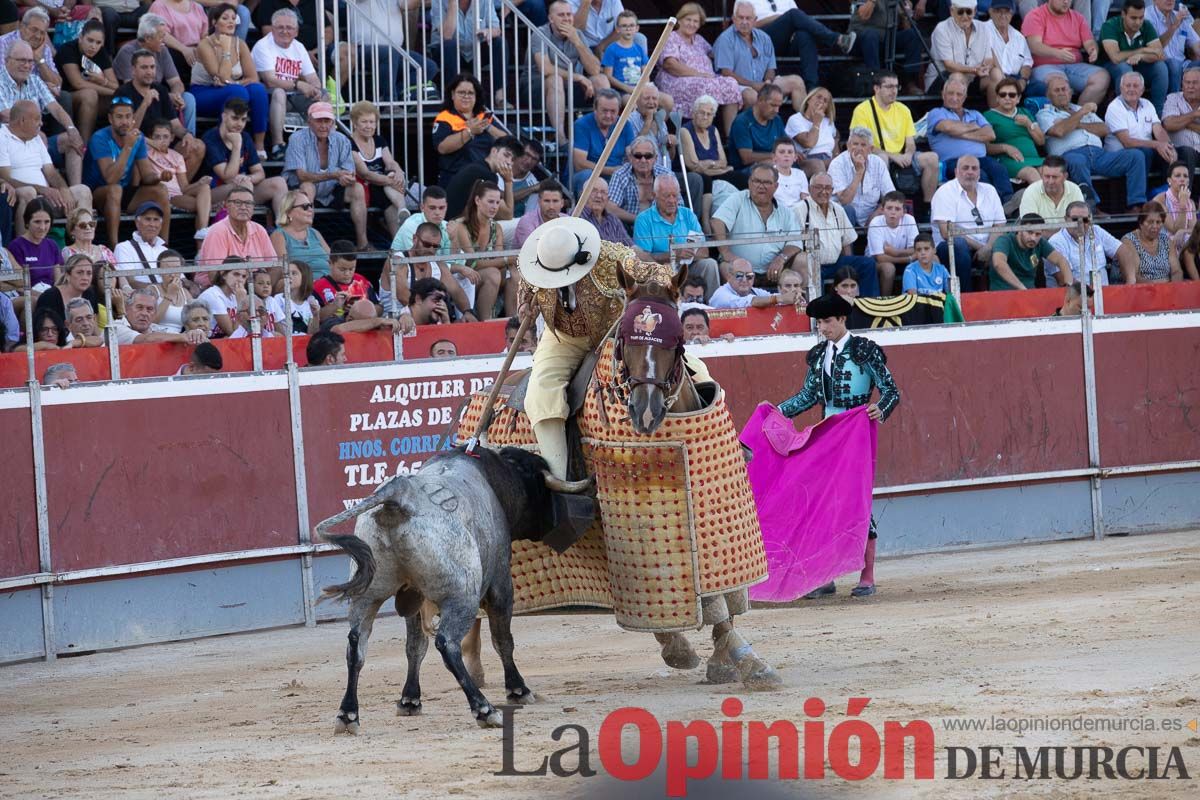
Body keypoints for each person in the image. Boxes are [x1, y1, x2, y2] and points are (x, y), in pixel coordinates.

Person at [516, 215, 714, 481]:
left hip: (615, 331)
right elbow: (525, 290)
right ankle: (560, 480)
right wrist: (523, 306)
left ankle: (719, 437)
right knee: (540, 394)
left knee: (695, 368)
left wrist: (665, 288)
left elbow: (656, 272)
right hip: (564, 337)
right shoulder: (537, 262)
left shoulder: (613, 257)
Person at [777, 291, 900, 599]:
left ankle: (867, 575)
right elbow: (808, 396)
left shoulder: (864, 350)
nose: (823, 328)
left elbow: (891, 391)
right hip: (827, 432)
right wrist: (776, 412)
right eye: (819, 323)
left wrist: (879, 409)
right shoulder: (819, 355)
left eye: (828, 322)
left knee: (857, 499)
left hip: (856, 432)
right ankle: (825, 576)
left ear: (843, 319)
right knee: (822, 501)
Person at [1037, 72, 1147, 213]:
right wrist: (1082, 113)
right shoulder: (1045, 113)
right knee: (1077, 161)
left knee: (1135, 156)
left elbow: (1104, 129)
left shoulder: (1079, 110)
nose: (1061, 93)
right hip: (1070, 155)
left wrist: (1074, 124)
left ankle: (1137, 206)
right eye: (1056, 90)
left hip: (1099, 155)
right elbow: (1059, 131)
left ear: (1071, 92)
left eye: (1064, 89)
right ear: (1048, 95)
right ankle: (1091, 208)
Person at [84, 96, 169, 247]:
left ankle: (163, 247)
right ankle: (114, 246)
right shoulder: (99, 138)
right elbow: (111, 179)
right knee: (115, 189)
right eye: (119, 117)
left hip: (123, 192)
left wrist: (159, 177)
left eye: (128, 116)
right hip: (97, 194)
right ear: (110, 119)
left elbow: (147, 175)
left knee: (161, 190)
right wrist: (128, 147)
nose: (124, 122)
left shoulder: (138, 137)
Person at [283, 101, 369, 250]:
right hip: (301, 188)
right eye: (319, 120)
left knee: (357, 189)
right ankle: (307, 243)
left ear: (333, 122)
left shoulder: (342, 140)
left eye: (327, 121)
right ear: (309, 121)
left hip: (331, 189)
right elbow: (302, 176)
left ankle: (363, 243)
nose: (323, 125)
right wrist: (334, 175)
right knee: (307, 187)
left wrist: (346, 178)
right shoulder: (297, 138)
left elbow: (350, 173)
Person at [191, 5, 270, 159]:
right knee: (238, 92)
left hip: (229, 88)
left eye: (234, 18)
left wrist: (236, 84)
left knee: (258, 90)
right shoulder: (205, 44)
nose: (231, 22)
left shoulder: (240, 43)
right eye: (225, 18)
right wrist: (226, 50)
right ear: (214, 22)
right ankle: (228, 144)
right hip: (203, 91)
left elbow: (253, 77)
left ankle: (259, 146)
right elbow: (222, 76)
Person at [849, 72, 940, 204]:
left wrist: (908, 154)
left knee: (932, 158)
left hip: (901, 155)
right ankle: (882, 205)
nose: (894, 91)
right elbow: (861, 146)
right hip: (876, 156)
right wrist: (893, 156)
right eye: (889, 87)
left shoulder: (903, 110)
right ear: (876, 88)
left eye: (896, 87)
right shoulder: (862, 110)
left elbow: (910, 143)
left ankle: (928, 206)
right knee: (882, 159)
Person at [0, 41, 84, 185]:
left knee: (72, 140)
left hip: (37, 141)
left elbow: (56, 108)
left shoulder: (34, 80)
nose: (26, 65)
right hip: (10, 144)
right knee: (40, 137)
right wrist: (35, 132)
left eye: (30, 61)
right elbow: (6, 115)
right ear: (7, 60)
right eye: (21, 60)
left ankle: (76, 191)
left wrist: (72, 129)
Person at [114, 46, 204, 179]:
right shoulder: (123, 93)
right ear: (133, 70)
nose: (150, 72)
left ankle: (177, 191)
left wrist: (187, 135)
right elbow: (128, 132)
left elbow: (175, 125)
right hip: (138, 147)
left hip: (161, 144)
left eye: (152, 67)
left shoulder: (161, 90)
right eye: (144, 67)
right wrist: (145, 102)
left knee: (197, 146)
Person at [0, 100, 91, 228]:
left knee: (83, 191)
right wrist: (42, 189)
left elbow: (51, 172)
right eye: (37, 119)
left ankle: (82, 242)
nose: (41, 124)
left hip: (46, 196)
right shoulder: (2, 137)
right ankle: (24, 246)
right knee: (28, 192)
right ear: (22, 121)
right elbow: (5, 178)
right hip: (20, 197)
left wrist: (63, 189)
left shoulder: (36, 138)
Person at [711, 163, 804, 285]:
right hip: (741, 270)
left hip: (776, 272)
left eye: (767, 182)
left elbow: (795, 242)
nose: (761, 186)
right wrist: (725, 252)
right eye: (757, 181)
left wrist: (781, 259)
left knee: (804, 259)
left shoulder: (785, 212)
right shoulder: (738, 199)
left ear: (776, 186)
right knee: (725, 266)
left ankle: (802, 302)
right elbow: (717, 221)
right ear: (749, 183)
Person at [253, 7, 327, 162]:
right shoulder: (263, 46)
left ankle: (324, 145)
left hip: (293, 97)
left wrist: (316, 89)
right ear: (272, 30)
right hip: (267, 98)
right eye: (280, 27)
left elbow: (313, 77)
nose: (285, 31)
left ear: (296, 31)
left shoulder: (298, 47)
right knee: (279, 92)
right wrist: (298, 84)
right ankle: (278, 145)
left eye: (289, 28)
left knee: (324, 97)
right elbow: (270, 80)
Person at [535, 1, 610, 150]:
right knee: (555, 79)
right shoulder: (540, 32)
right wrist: (579, 77)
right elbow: (545, 69)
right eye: (561, 15)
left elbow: (595, 69)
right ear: (551, 18)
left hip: (567, 87)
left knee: (600, 80)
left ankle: (607, 133)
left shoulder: (577, 34)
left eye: (569, 15)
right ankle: (561, 139)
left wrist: (577, 41)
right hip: (537, 87)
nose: (566, 19)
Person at [656, 2, 742, 133]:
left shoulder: (699, 39)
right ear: (679, 20)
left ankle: (730, 135)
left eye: (695, 21)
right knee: (704, 86)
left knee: (731, 83)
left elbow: (715, 53)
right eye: (688, 19)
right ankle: (701, 134)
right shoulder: (671, 37)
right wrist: (699, 74)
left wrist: (726, 35)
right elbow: (670, 64)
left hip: (704, 79)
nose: (692, 24)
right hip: (676, 82)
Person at [928, 74, 1013, 203]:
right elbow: (948, 128)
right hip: (953, 161)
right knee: (980, 175)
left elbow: (990, 134)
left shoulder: (975, 114)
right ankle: (989, 208)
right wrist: (973, 127)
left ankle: (1008, 206)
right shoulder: (936, 113)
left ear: (964, 97)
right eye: (950, 93)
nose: (954, 98)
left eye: (959, 94)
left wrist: (960, 133)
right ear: (943, 94)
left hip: (980, 158)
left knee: (999, 169)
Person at [794, 173, 881, 297]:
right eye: (818, 187)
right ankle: (820, 312)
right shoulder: (799, 209)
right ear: (809, 189)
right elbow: (794, 245)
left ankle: (868, 307)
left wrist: (848, 270)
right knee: (813, 272)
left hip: (836, 262)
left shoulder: (838, 209)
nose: (824, 191)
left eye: (827, 188)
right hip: (813, 266)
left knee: (868, 264)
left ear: (832, 190)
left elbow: (847, 241)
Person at [203, 96, 288, 222]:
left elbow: (260, 173)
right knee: (244, 185)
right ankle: (245, 228)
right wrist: (237, 146)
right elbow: (227, 176)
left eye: (243, 119)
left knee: (279, 183)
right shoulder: (211, 138)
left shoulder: (245, 137)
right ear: (224, 116)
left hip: (243, 188)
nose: (239, 124)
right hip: (213, 193)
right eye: (235, 118)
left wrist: (248, 178)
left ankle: (283, 230)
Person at [633, 173, 720, 294]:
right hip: (661, 269)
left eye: (675, 195)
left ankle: (712, 307)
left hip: (688, 267)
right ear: (654, 196)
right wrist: (674, 254)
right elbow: (643, 258)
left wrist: (687, 256)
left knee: (710, 264)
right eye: (666, 196)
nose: (672, 201)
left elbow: (704, 251)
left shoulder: (688, 214)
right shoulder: (644, 219)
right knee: (667, 268)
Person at [930, 155, 1006, 292]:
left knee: (1013, 242)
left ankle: (1010, 299)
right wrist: (980, 248)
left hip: (988, 245)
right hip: (955, 248)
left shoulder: (990, 190)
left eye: (974, 168)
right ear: (956, 172)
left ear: (979, 172)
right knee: (958, 245)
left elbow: (1000, 225)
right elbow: (947, 232)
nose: (970, 172)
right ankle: (965, 297)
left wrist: (989, 247)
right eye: (965, 168)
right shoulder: (945, 192)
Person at [741, 0, 855, 91]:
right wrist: (780, 18)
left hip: (786, 40)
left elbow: (800, 20)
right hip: (761, 41)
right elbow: (747, 26)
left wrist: (788, 23)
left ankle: (812, 88)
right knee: (793, 14)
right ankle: (838, 39)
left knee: (804, 35)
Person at [113, 14, 196, 137]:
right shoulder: (128, 51)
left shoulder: (163, 50)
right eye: (160, 36)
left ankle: (188, 138)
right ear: (147, 38)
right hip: (132, 100)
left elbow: (176, 82)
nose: (164, 40)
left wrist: (176, 95)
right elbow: (133, 87)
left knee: (188, 98)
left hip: (159, 94)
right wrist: (167, 97)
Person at [714, 2, 806, 111]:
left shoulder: (764, 38)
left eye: (748, 18)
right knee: (752, 96)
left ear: (755, 20)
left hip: (762, 84)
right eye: (740, 18)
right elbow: (726, 73)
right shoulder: (726, 39)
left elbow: (770, 68)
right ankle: (757, 127)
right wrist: (754, 85)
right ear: (734, 19)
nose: (744, 22)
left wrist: (767, 82)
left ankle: (805, 123)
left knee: (796, 81)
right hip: (739, 85)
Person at [1024, 0, 1110, 107]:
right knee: (1059, 84)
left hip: (1073, 65)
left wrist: (1092, 50)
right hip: (1044, 66)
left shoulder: (1078, 17)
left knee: (1102, 77)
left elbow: (1089, 42)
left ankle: (1079, 116)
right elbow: (1034, 46)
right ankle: (1064, 120)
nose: (1066, 2)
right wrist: (1057, 53)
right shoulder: (1035, 15)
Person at [679, 95, 748, 227]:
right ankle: (705, 222)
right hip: (694, 175)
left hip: (712, 172)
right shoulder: (685, 130)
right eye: (702, 113)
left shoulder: (713, 130)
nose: (705, 117)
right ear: (694, 113)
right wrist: (717, 166)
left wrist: (711, 165)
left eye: (709, 114)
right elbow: (693, 165)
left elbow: (723, 161)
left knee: (741, 177)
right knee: (705, 179)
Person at [432, 72, 507, 187]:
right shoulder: (445, 117)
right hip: (455, 178)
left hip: (485, 178)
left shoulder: (483, 116)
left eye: (471, 93)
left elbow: (507, 141)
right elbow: (442, 148)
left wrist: (487, 126)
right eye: (461, 92)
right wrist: (470, 131)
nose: (466, 96)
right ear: (452, 95)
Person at [449, 180, 508, 320]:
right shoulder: (461, 226)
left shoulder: (496, 228)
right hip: (461, 277)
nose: (494, 207)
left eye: (497, 202)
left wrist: (504, 262)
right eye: (490, 201)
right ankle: (485, 322)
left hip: (485, 275)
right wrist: (506, 259)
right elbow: (471, 263)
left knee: (515, 274)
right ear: (477, 200)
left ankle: (515, 322)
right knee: (494, 274)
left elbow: (498, 261)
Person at [54, 19, 119, 146]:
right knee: (90, 94)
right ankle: (84, 145)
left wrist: (103, 81)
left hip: (90, 99)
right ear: (80, 38)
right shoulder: (68, 49)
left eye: (98, 42)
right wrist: (113, 90)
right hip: (64, 97)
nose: (93, 46)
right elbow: (77, 83)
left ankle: (116, 144)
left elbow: (115, 84)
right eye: (90, 40)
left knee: (119, 99)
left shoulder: (101, 53)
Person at [145, 117, 211, 238]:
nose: (161, 140)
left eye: (165, 137)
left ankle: (202, 230)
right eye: (157, 137)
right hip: (163, 195)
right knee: (202, 206)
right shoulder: (146, 152)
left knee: (205, 187)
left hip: (178, 195)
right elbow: (136, 137)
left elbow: (184, 188)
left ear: (172, 138)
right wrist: (149, 143)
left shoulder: (177, 156)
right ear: (151, 138)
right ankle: (201, 232)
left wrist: (199, 183)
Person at [348, 101, 406, 237]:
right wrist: (391, 181)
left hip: (383, 186)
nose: (369, 126)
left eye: (372, 122)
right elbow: (365, 173)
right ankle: (401, 210)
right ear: (355, 123)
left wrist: (398, 172)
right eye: (364, 122)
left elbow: (390, 162)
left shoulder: (379, 140)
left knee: (391, 175)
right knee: (388, 191)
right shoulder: (349, 142)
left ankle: (402, 214)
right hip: (363, 187)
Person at [1099, 0, 1168, 113]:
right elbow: (1115, 57)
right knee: (1124, 68)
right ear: (1123, 14)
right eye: (1133, 18)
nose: (1138, 22)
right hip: (1109, 67)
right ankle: (1124, 113)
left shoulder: (1146, 25)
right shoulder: (1110, 25)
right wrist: (1142, 50)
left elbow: (1159, 54)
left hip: (1136, 65)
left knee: (1160, 67)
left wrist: (1141, 56)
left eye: (1141, 17)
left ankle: (1157, 114)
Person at [1105, 71, 1178, 176]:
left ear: (1142, 90)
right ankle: (1143, 191)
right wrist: (1157, 144)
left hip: (1145, 151)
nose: (1131, 89)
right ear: (1121, 89)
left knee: (1176, 152)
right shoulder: (1115, 107)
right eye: (1127, 86)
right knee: (1145, 152)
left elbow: (1159, 130)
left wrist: (1170, 147)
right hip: (1119, 156)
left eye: (1135, 86)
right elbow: (1127, 142)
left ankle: (1168, 190)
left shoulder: (1147, 104)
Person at [848, 0, 924, 93]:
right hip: (861, 38)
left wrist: (904, 16)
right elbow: (863, 15)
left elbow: (906, 27)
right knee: (871, 35)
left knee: (912, 34)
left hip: (886, 40)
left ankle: (910, 83)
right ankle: (876, 83)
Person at [984, 78, 1046, 186]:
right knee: (1031, 173)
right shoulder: (988, 116)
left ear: (1018, 98)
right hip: (1008, 160)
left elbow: (1041, 141)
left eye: (1012, 95)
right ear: (997, 98)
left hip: (1034, 158)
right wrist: (1005, 147)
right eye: (1003, 95)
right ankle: (1042, 202)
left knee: (1051, 172)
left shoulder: (1025, 112)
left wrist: (1028, 124)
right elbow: (985, 147)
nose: (1007, 98)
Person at [828, 127, 894, 227]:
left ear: (870, 149)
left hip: (871, 216)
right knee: (847, 210)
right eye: (855, 144)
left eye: (863, 145)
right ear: (848, 146)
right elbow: (844, 200)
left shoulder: (878, 163)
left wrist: (877, 212)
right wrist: (859, 173)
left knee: (888, 210)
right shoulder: (837, 164)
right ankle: (848, 243)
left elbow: (890, 196)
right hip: (844, 218)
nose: (858, 149)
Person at [197, 184, 274, 267]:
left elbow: (274, 265)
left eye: (248, 203)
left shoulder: (259, 230)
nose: (243, 207)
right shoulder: (217, 231)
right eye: (238, 202)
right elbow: (216, 274)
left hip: (256, 278)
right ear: (227, 206)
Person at [929, 0, 997, 94]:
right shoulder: (942, 29)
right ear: (952, 11)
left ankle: (994, 109)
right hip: (942, 79)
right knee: (957, 77)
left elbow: (989, 59)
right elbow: (949, 66)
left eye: (968, 12)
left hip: (972, 78)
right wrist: (975, 70)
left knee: (996, 75)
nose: (965, 16)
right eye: (960, 12)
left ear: (975, 11)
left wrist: (985, 67)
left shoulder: (983, 28)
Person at [991, 212, 1074, 289]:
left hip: (1030, 295)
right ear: (1020, 229)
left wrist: (1069, 286)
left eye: (1038, 234)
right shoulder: (1004, 241)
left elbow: (1061, 260)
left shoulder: (1040, 243)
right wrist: (1022, 289)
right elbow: (999, 263)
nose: (1033, 238)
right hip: (1003, 294)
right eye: (1029, 232)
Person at [446, 135, 519, 220]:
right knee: (516, 223)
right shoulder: (485, 174)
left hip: (454, 222)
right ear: (494, 151)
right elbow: (507, 215)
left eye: (513, 159)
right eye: (506, 155)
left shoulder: (479, 166)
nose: (509, 162)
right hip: (454, 226)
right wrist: (508, 182)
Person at [1047, 201, 1120, 286]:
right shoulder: (1056, 241)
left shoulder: (1096, 230)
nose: (1080, 223)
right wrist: (1089, 294)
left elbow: (1123, 251)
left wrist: (1130, 282)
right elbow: (1063, 280)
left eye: (1085, 220)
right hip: (1073, 297)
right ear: (1066, 219)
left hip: (1104, 295)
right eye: (1075, 219)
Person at [606, 135, 673, 228]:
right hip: (629, 228)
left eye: (648, 156)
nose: (643, 160)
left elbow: (679, 204)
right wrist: (640, 220)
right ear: (630, 157)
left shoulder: (666, 175)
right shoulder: (620, 175)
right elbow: (610, 208)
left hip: (661, 227)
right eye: (638, 156)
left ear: (655, 158)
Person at [980, 0, 1036, 104]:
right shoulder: (981, 28)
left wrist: (1023, 80)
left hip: (1015, 78)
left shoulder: (1019, 37)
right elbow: (988, 55)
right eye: (998, 11)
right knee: (997, 76)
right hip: (988, 76)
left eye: (1006, 12)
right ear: (990, 12)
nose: (1003, 15)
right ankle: (997, 115)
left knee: (1040, 87)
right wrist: (1005, 80)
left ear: (1012, 14)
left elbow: (1027, 63)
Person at [112, 284, 209, 343]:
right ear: (127, 309)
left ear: (154, 314)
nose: (144, 313)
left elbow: (172, 335)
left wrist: (195, 333)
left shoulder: (157, 329)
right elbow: (147, 339)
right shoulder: (116, 328)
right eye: (139, 307)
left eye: (149, 309)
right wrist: (185, 336)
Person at [1117, 201, 1184, 281]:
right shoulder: (1129, 241)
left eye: (1158, 222)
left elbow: (1176, 271)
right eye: (1150, 222)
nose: (1155, 226)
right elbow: (1133, 276)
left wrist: (1173, 287)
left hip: (1167, 289)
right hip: (1140, 290)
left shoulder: (1166, 241)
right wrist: (1156, 286)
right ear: (1141, 223)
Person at [868, 191, 919, 296]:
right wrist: (908, 258)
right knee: (888, 268)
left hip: (899, 258)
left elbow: (916, 249)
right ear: (882, 210)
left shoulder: (909, 219)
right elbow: (880, 258)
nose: (893, 212)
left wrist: (895, 252)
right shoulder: (875, 223)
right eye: (889, 208)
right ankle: (885, 304)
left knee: (931, 259)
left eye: (897, 209)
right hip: (875, 262)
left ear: (904, 211)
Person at [271, 190, 329, 279]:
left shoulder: (315, 233)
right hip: (303, 287)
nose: (310, 210)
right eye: (305, 206)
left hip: (328, 284)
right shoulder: (279, 235)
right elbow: (284, 271)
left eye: (311, 206)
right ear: (289, 212)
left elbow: (333, 261)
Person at [1145, 0, 1200, 96]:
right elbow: (1155, 47)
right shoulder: (1147, 16)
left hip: (1183, 65)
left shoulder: (1180, 16)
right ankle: (1174, 103)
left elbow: (1196, 46)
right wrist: (1174, 25)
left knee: (1180, 64)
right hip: (1157, 64)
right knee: (1174, 64)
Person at [727, 83, 786, 172]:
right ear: (760, 100)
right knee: (774, 165)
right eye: (773, 105)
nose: (776, 110)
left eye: (779, 106)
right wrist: (774, 155)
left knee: (811, 164)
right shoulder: (742, 121)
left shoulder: (776, 120)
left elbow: (785, 144)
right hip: (745, 170)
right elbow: (746, 157)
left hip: (774, 163)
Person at [148, 0, 210, 82]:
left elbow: (205, 33)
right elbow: (161, 34)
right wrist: (184, 49)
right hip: (173, 52)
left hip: (197, 51)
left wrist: (200, 49)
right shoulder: (159, 5)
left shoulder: (197, 6)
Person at [580, 176, 642, 255]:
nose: (599, 195)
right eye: (594, 190)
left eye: (603, 192)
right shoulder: (576, 217)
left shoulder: (613, 220)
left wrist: (651, 263)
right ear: (583, 194)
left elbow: (631, 247)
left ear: (608, 198)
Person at [785, 86, 837, 177]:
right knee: (818, 165)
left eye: (825, 101)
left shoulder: (828, 122)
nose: (821, 101)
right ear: (809, 100)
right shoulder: (796, 119)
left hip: (828, 159)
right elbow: (809, 143)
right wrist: (816, 122)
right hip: (807, 161)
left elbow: (836, 138)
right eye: (819, 97)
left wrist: (836, 157)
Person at [9, 198, 60, 287]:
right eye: (37, 222)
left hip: (51, 294)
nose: (42, 227)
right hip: (28, 296)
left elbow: (58, 280)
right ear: (27, 222)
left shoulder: (52, 245)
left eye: (47, 222)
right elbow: (18, 285)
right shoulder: (16, 246)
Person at [1018, 155, 1086, 222]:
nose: (1050, 182)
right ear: (1041, 175)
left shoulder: (1074, 190)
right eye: (1047, 176)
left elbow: (1080, 224)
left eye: (1055, 177)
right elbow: (1030, 228)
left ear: (1065, 176)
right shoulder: (1031, 191)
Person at [34, 252, 96, 322]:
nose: (85, 277)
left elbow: (94, 326)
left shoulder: (90, 294)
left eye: (89, 273)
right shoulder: (49, 297)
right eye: (79, 272)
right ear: (67, 276)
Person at [708, 262, 799, 309]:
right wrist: (780, 299)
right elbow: (747, 302)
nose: (744, 280)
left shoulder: (756, 291)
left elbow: (771, 297)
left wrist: (794, 298)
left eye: (749, 276)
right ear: (729, 276)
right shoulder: (721, 294)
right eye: (739, 275)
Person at [601, 10, 649, 98]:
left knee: (667, 100)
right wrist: (627, 88)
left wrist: (644, 88)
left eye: (631, 25)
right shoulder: (611, 49)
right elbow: (608, 75)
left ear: (637, 28)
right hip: (622, 92)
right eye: (624, 26)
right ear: (617, 29)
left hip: (640, 90)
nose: (628, 29)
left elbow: (646, 73)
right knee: (630, 102)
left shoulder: (639, 49)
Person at [1163, 66, 1200, 179]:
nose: (1190, 87)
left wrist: (1181, 122)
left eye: (1195, 83)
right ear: (1182, 84)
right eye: (1187, 83)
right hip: (1182, 152)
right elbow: (1168, 124)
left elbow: (1174, 122)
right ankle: (1183, 196)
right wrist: (1195, 114)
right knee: (1187, 152)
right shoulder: (1173, 98)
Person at [1151, 160, 1197, 252]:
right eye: (1178, 175)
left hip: (1185, 243)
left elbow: (1194, 229)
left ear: (1188, 181)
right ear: (1169, 181)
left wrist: (1183, 231)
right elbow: (1175, 230)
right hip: (1164, 245)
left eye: (1185, 176)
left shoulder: (1190, 202)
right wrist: (1183, 205)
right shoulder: (1160, 200)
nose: (1182, 179)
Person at [269, 258, 319, 335]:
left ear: (305, 277)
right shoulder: (278, 298)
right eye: (287, 274)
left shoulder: (311, 301)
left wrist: (316, 315)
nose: (289, 277)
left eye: (294, 273)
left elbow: (312, 334)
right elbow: (277, 326)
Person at [197, 260, 247, 335]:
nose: (240, 280)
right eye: (236, 274)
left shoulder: (235, 296)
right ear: (223, 274)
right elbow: (234, 333)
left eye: (244, 276)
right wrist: (241, 303)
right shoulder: (213, 295)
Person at [513, 181, 567, 248]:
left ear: (562, 203)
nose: (551, 206)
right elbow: (532, 250)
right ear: (539, 202)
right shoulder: (527, 221)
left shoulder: (567, 220)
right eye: (546, 201)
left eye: (555, 201)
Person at [61, 207, 115, 273]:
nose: (88, 228)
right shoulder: (68, 252)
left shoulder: (104, 250)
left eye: (91, 224)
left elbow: (117, 274)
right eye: (83, 225)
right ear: (72, 230)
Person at [771, 136, 808, 207]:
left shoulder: (800, 174)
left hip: (798, 213)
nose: (786, 155)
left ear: (795, 157)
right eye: (782, 152)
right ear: (774, 157)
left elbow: (805, 198)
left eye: (790, 152)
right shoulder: (769, 174)